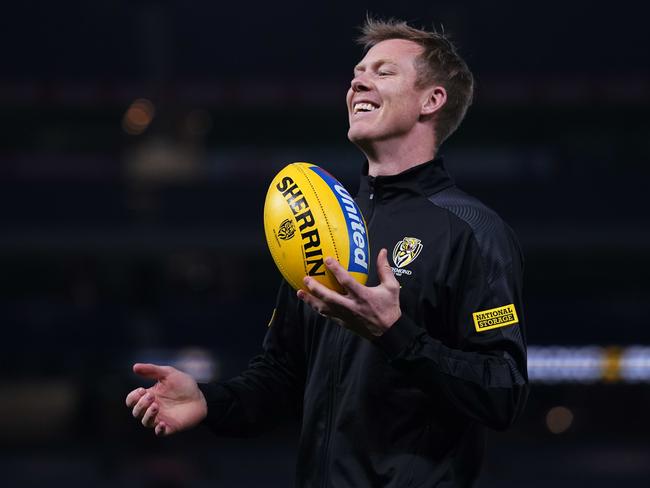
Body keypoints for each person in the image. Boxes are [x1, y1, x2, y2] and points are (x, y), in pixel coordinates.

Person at [126, 17, 528, 487]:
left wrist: (396, 333)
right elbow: (280, 378)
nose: (358, 79)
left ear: (431, 100)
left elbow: (503, 393)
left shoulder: (473, 231)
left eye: (383, 71)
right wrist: (210, 401)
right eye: (358, 71)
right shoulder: (322, 224)